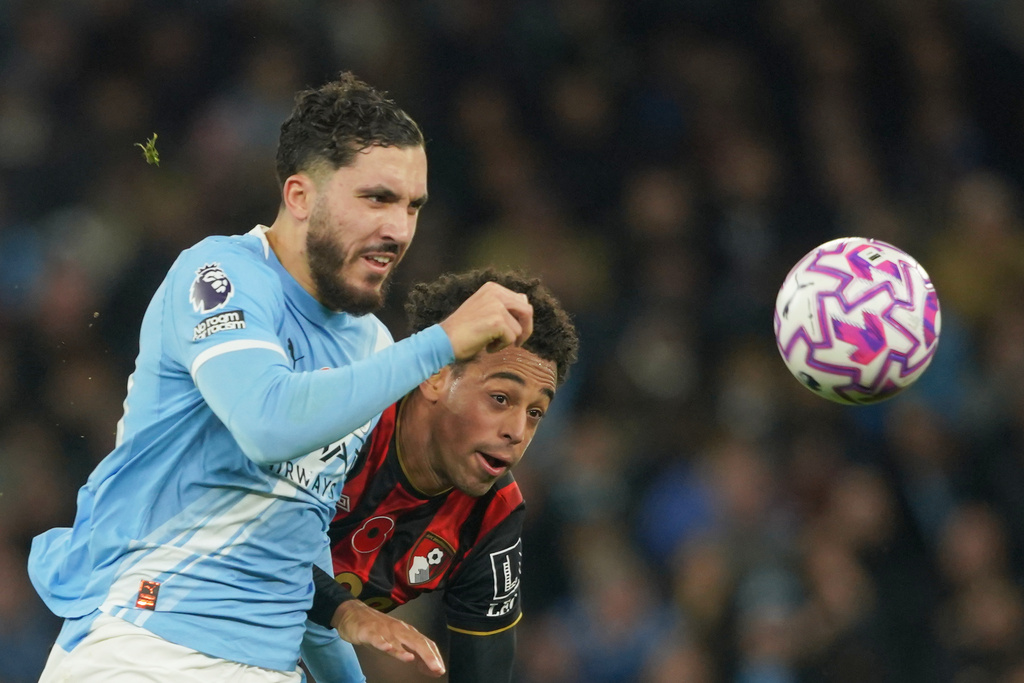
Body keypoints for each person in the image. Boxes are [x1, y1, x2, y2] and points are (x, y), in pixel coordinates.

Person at [27, 72, 535, 682]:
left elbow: (294, 548)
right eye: (377, 199)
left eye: (412, 206)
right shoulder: (218, 275)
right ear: (299, 196)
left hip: (267, 666)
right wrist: (442, 342)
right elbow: (268, 424)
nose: (399, 230)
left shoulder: (370, 343)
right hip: (146, 647)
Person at [299, 268, 579, 683]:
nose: (517, 432)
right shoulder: (348, 417)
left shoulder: (492, 514)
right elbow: (246, 542)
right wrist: (345, 611)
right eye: (500, 398)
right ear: (435, 376)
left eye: (534, 412)